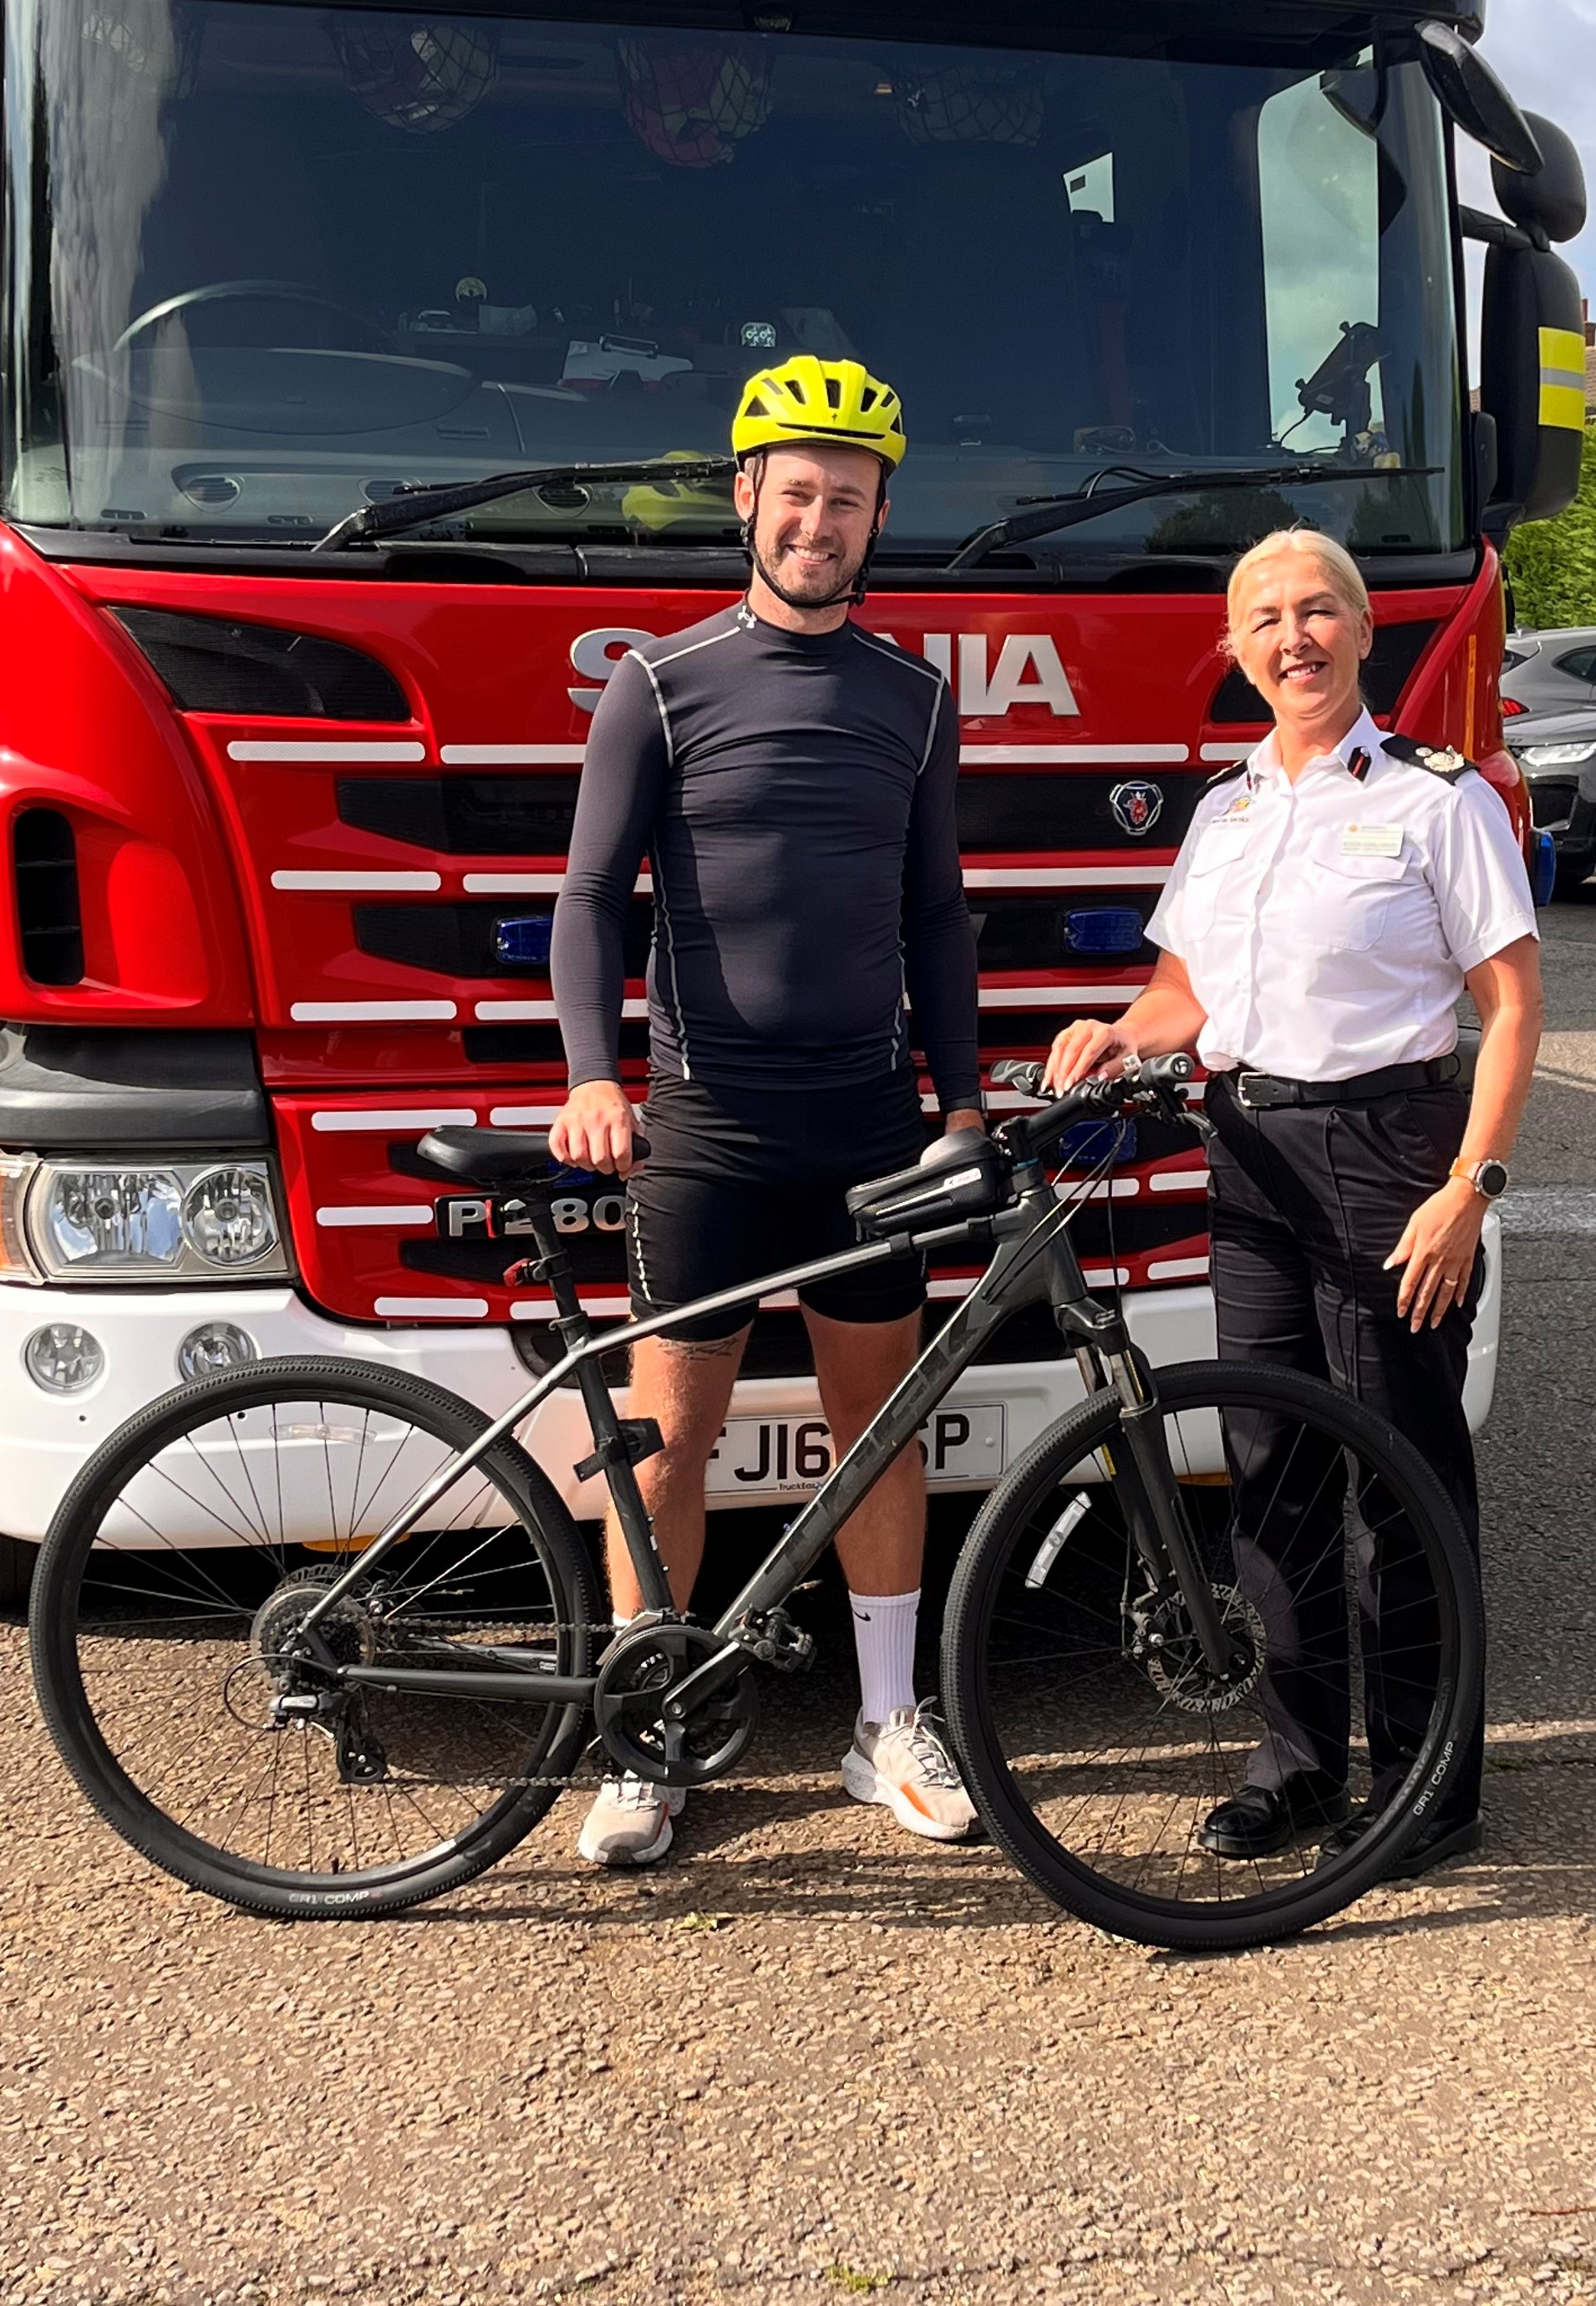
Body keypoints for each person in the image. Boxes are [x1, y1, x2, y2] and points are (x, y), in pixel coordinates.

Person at [1043, 527, 1543, 1878]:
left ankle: (1431, 1778)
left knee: (1405, 1469)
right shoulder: (1228, 811)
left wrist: (1470, 1189)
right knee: (1269, 1468)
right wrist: (1117, 1031)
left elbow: (1508, 1009)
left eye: (1319, 611)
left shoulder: (1441, 802)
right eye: (1265, 618)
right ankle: (1297, 1763)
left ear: (1365, 630)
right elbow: (1187, 997)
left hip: (1394, 1154)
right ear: (1236, 650)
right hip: (1249, 1155)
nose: (1294, 637)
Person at [550, 358, 985, 1869]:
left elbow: (937, 918)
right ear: (746, 500)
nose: (819, 519)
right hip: (709, 1128)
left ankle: (884, 1726)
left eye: (847, 498)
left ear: (877, 520)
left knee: (880, 1426)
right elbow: (593, 896)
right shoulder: (658, 684)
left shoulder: (917, 699)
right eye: (794, 491)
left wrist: (967, 1104)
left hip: (869, 1126)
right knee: (669, 1441)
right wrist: (592, 1076)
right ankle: (649, 1730)